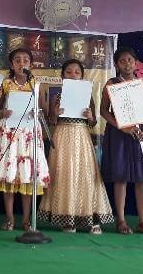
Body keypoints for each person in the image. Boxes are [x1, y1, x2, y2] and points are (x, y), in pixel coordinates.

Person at [38, 59, 113, 234]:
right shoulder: (57, 96)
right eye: (69, 72)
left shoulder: (87, 95)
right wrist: (55, 113)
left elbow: (93, 123)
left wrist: (90, 117)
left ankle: (92, 219)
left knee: (86, 174)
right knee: (64, 174)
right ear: (62, 75)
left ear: (82, 76)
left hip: (82, 136)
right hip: (62, 136)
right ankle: (67, 219)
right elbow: (51, 121)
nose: (73, 75)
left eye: (77, 72)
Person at [0, 48, 50, 231]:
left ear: (31, 64)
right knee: (9, 174)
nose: (21, 63)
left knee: (27, 175)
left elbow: (44, 111)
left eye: (26, 60)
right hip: (9, 133)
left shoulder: (35, 84)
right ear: (11, 65)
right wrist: (1, 112)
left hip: (29, 134)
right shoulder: (5, 84)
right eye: (17, 60)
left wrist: (38, 112)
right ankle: (9, 218)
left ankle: (27, 220)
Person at [100, 47, 143, 235]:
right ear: (117, 65)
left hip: (140, 135)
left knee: (142, 178)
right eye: (122, 61)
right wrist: (122, 126)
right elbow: (103, 111)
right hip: (119, 135)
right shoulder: (112, 83)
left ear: (136, 63)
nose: (127, 64)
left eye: (130, 60)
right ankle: (121, 220)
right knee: (121, 177)